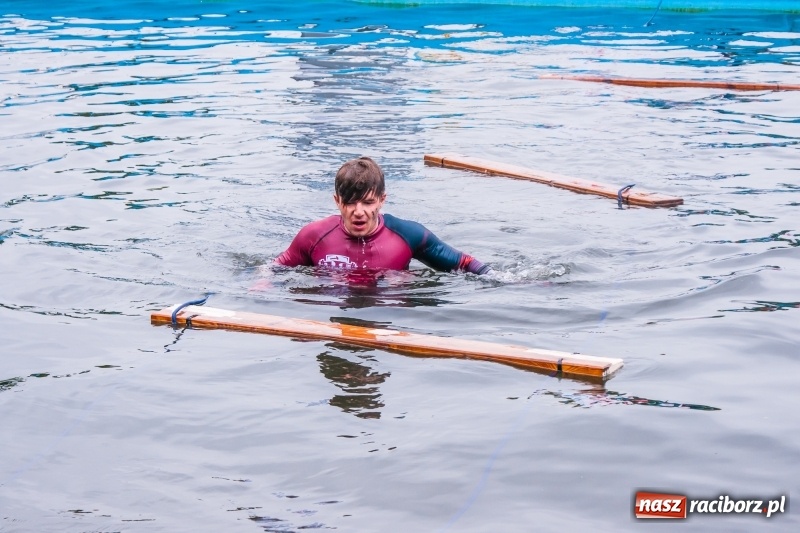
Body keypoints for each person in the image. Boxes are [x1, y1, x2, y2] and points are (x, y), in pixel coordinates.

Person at [274, 156, 491, 275]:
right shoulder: (313, 235)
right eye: (350, 202)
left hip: (386, 321)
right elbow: (275, 269)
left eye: (368, 202)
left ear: (381, 200)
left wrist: (499, 279)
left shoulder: (409, 234)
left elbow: (463, 262)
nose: (359, 212)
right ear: (337, 201)